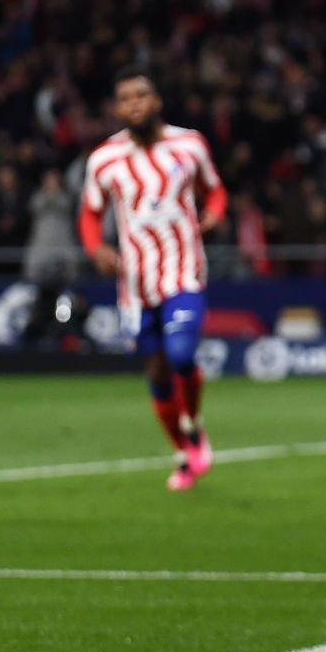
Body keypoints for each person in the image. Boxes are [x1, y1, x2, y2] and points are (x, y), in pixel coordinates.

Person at [80, 69, 228, 491]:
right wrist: (97, 248)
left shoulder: (189, 144)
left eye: (142, 95)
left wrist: (214, 214)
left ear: (157, 100)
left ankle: (193, 424)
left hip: (183, 271)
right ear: (117, 108)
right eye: (126, 98)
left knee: (181, 354)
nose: (135, 103)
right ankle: (184, 453)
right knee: (158, 370)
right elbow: (90, 212)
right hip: (136, 283)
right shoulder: (105, 159)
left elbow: (215, 190)